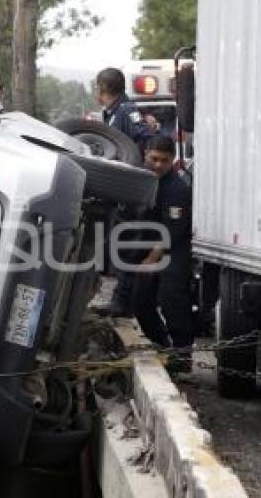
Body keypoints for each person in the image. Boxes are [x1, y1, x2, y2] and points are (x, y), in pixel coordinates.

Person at [130, 136, 194, 361]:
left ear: (173, 160)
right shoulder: (141, 178)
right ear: (146, 154)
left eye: (164, 161)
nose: (158, 165)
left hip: (173, 247)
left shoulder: (176, 189)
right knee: (140, 302)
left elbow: (173, 231)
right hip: (150, 246)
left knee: (172, 299)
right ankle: (162, 347)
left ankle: (182, 355)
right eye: (154, 159)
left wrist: (150, 260)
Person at [96, 67, 158, 145]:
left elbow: (145, 135)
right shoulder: (115, 112)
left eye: (96, 88)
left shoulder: (128, 110)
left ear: (100, 89)